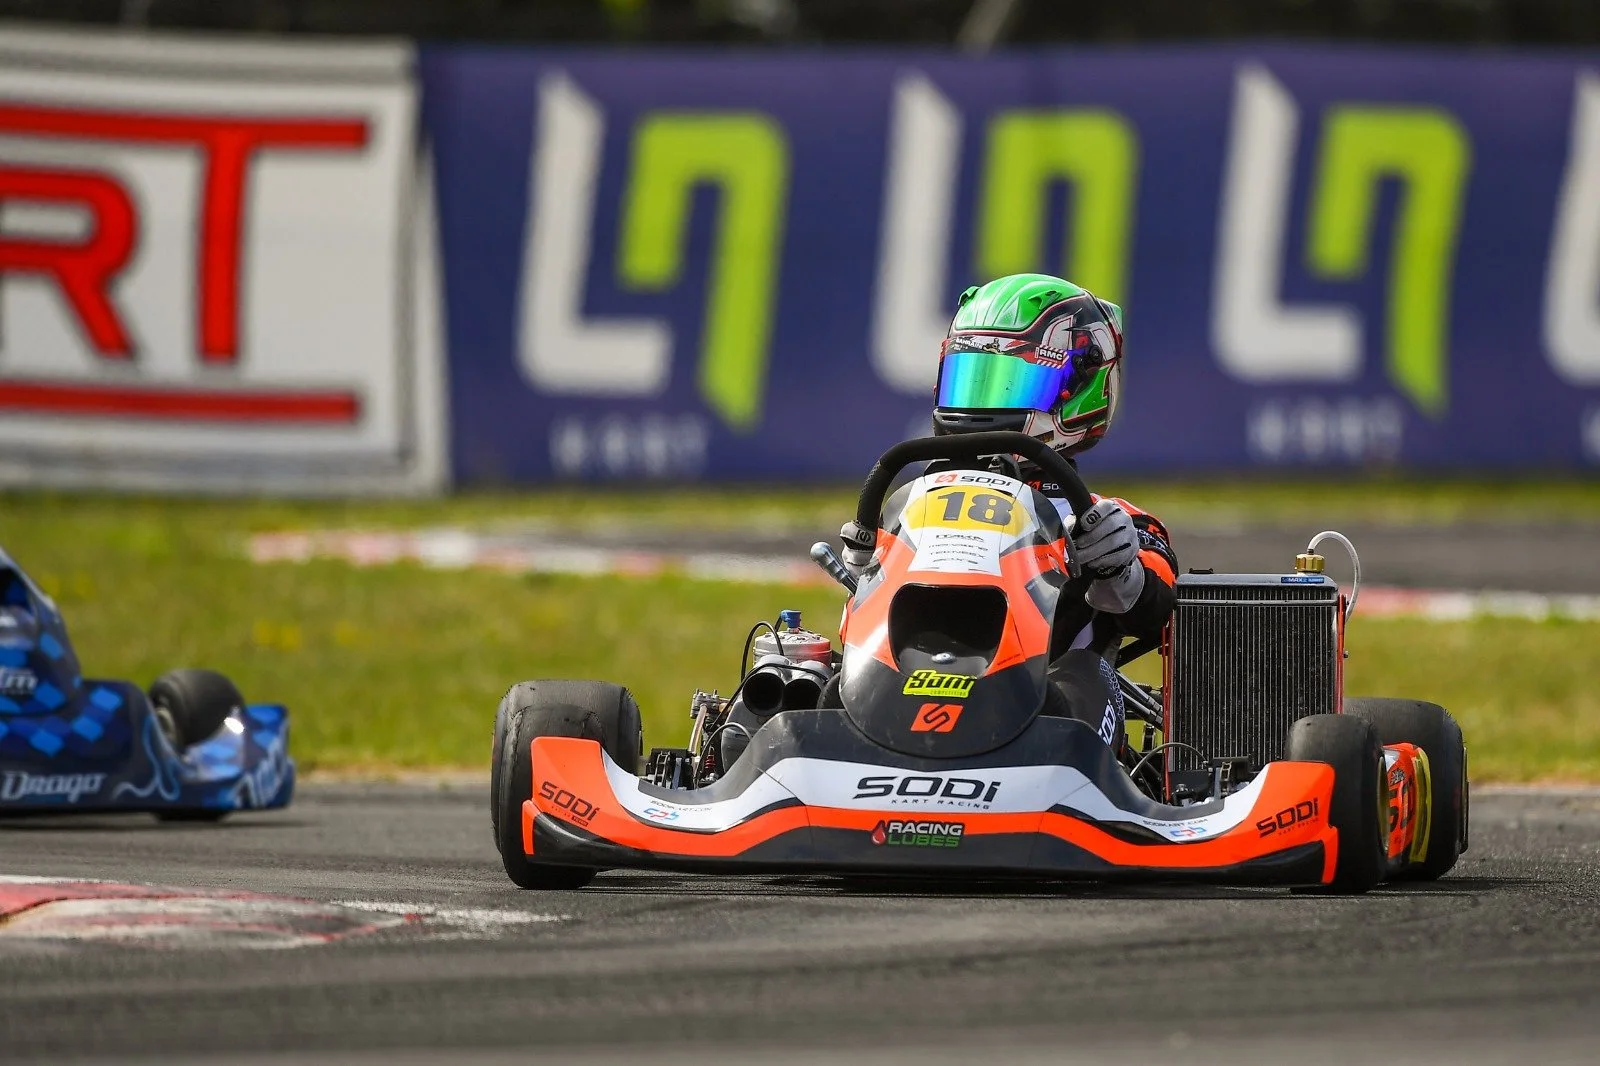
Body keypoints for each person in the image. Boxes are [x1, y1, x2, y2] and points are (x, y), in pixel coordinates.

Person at [838, 273, 1178, 749]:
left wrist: (1121, 572)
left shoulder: (1110, 520)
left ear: (1079, 390)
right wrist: (866, 570)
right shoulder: (912, 499)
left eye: (1010, 383)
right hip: (898, 692)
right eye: (970, 378)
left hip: (1042, 715)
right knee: (801, 679)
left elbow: (1158, 613)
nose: (981, 402)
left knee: (1085, 675)